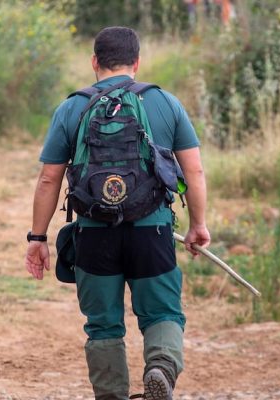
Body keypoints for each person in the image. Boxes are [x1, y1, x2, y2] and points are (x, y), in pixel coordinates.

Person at [24, 27, 210, 400]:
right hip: (152, 231)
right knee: (161, 314)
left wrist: (38, 238)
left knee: (103, 326)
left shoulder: (72, 106)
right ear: (137, 62)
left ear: (94, 61)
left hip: (93, 233)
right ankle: (160, 367)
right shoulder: (166, 103)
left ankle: (112, 395)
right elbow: (194, 171)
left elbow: (49, 179)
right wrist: (198, 226)